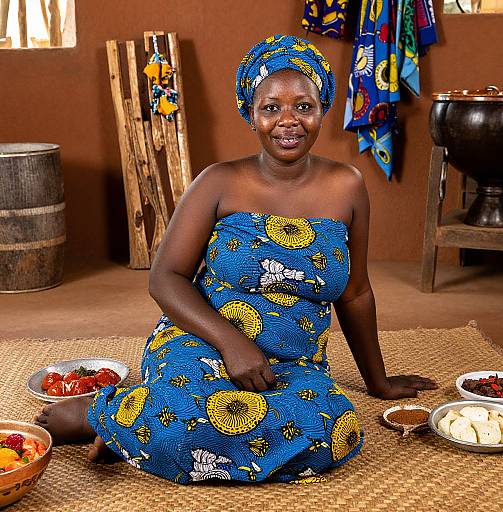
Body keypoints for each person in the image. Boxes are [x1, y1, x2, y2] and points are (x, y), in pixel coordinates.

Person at [35, 34, 437, 484]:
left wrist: (378, 381)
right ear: (250, 113)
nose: (289, 121)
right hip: (201, 339)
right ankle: (101, 412)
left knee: (331, 431)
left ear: (323, 108)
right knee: (184, 414)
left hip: (292, 359)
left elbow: (356, 291)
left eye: (303, 106)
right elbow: (165, 278)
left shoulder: (347, 187)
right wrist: (232, 343)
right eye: (271, 108)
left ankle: (130, 427)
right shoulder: (218, 182)